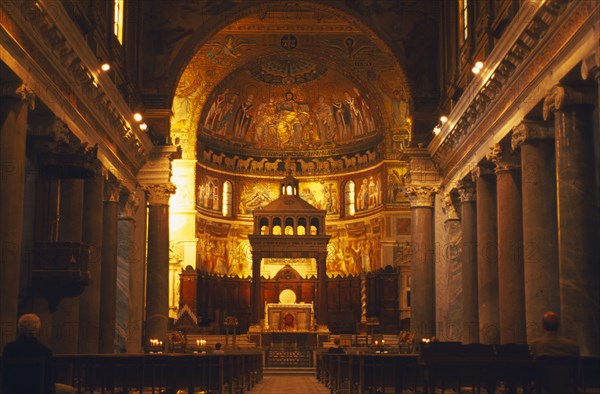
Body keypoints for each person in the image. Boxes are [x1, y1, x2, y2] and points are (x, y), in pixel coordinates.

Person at [2, 314, 75, 394]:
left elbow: (4, 373)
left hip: (13, 390)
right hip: (37, 390)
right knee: (69, 390)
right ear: (37, 329)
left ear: (19, 328)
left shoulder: (9, 348)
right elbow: (49, 378)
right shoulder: (44, 351)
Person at [529, 312, 580, 394]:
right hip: (566, 389)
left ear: (543, 326)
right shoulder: (573, 346)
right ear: (558, 326)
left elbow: (534, 372)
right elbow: (577, 371)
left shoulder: (536, 345)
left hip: (544, 389)